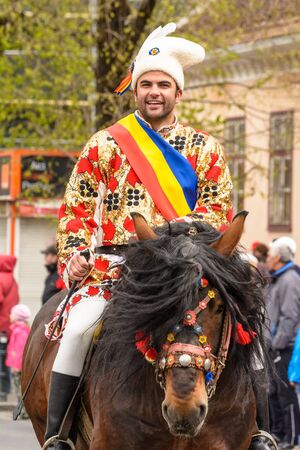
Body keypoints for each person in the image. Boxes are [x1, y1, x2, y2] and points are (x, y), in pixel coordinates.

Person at [42, 23, 268, 450]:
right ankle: (60, 434)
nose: (154, 92)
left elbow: (218, 211)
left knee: (247, 330)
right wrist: (74, 254)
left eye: (164, 84)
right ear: (136, 90)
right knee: (77, 330)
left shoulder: (206, 149)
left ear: (178, 93)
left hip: (190, 271)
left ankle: (260, 431)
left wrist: (170, 242)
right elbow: (76, 208)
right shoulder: (105, 145)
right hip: (117, 267)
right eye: (146, 83)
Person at [265, 237, 300, 449]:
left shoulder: (289, 280)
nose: (267, 259)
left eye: (269, 255)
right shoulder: (279, 278)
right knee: (274, 392)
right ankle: (279, 433)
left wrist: (277, 343)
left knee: (285, 393)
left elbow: (289, 316)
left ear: (277, 257)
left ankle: (292, 436)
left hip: (283, 348)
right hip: (275, 346)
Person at [5, 304, 31, 418]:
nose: (10, 316)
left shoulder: (20, 331)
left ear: (17, 317)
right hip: (16, 365)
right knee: (19, 390)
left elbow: (20, 350)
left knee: (20, 390)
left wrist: (17, 366)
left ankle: (23, 412)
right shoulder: (18, 329)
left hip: (18, 367)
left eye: (12, 314)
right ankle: (22, 411)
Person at [0, 254, 19, 401]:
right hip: (9, 324)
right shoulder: (13, 280)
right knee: (4, 356)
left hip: (0, 323)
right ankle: (5, 388)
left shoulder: (1, 278)